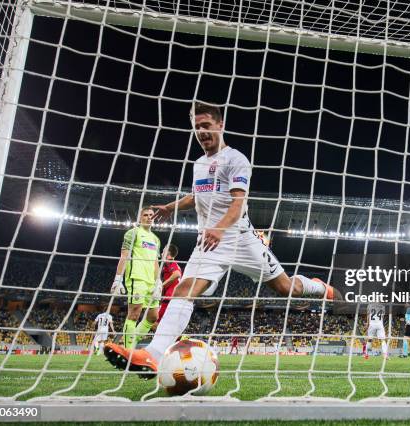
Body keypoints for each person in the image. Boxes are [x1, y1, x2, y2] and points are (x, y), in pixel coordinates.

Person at [104, 102, 342, 377]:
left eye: (206, 126)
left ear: (220, 125)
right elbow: (197, 196)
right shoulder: (198, 164)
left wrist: (218, 228)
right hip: (210, 243)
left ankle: (319, 288)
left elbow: (238, 203)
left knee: (286, 287)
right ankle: (153, 355)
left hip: (238, 237)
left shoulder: (236, 160)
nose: (202, 132)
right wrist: (171, 207)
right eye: (197, 127)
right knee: (184, 290)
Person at [110, 207, 161, 349]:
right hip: (136, 278)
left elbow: (156, 263)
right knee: (134, 314)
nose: (149, 217)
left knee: (153, 316)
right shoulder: (132, 233)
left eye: (151, 215)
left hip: (151, 282)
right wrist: (118, 279)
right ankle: (128, 351)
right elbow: (124, 256)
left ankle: (133, 341)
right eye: (145, 215)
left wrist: (159, 282)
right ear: (139, 218)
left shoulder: (156, 239)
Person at [157, 244, 182, 323]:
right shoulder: (167, 264)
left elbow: (177, 274)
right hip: (171, 296)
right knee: (166, 322)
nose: (162, 252)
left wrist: (161, 285)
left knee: (154, 321)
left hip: (170, 296)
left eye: (164, 250)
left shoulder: (170, 262)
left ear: (168, 252)